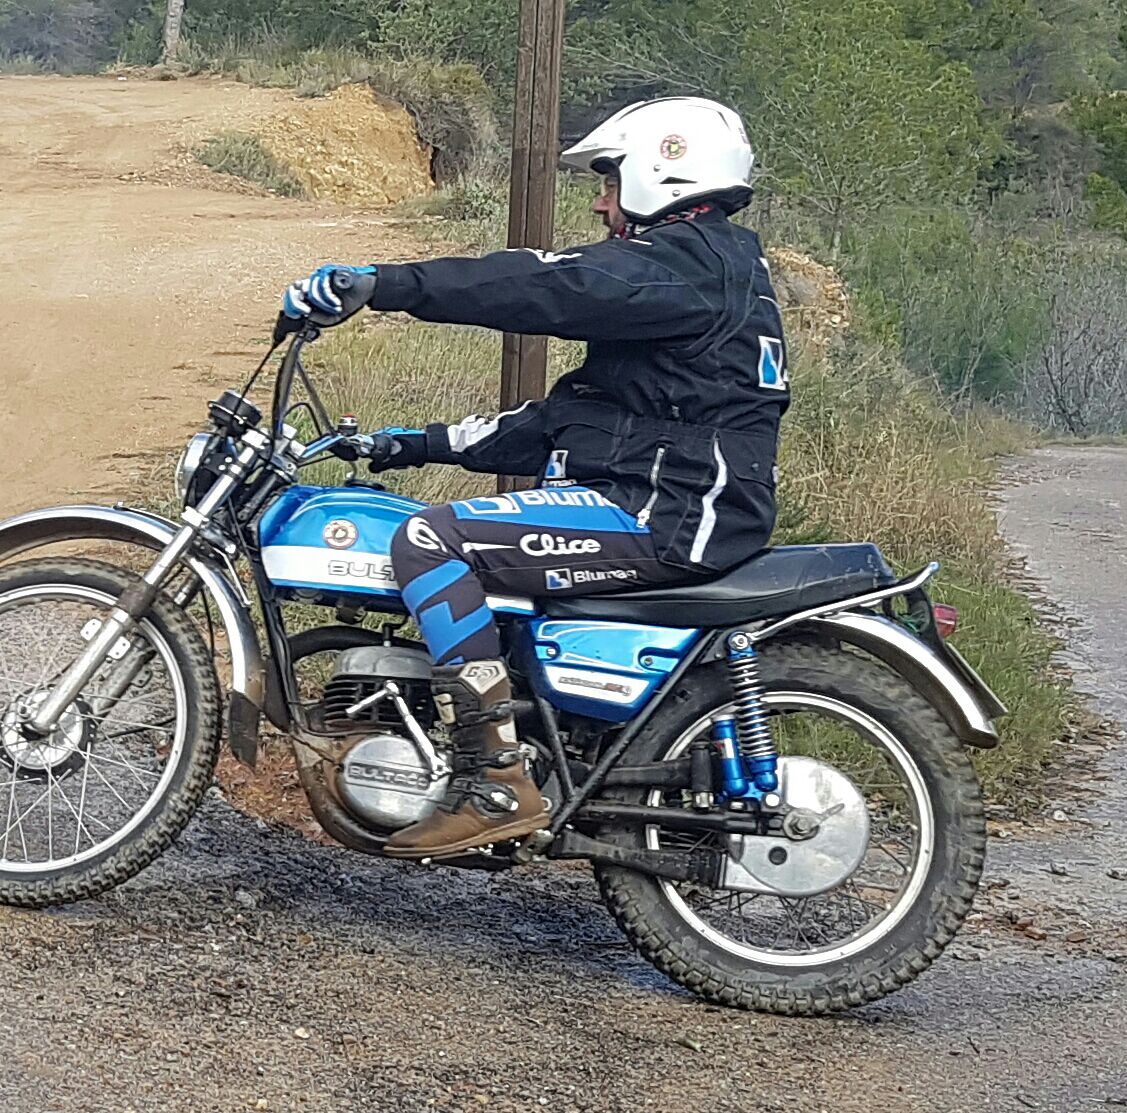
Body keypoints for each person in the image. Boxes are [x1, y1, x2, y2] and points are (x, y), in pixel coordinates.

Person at [280, 97, 789, 858]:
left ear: (663, 170)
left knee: (429, 540)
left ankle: (491, 776)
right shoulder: (699, 275)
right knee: (453, 530)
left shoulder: (685, 266)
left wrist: (385, 286)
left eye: (610, 180)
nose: (599, 200)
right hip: (661, 498)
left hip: (667, 513)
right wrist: (409, 445)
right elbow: (563, 421)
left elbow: (540, 284)